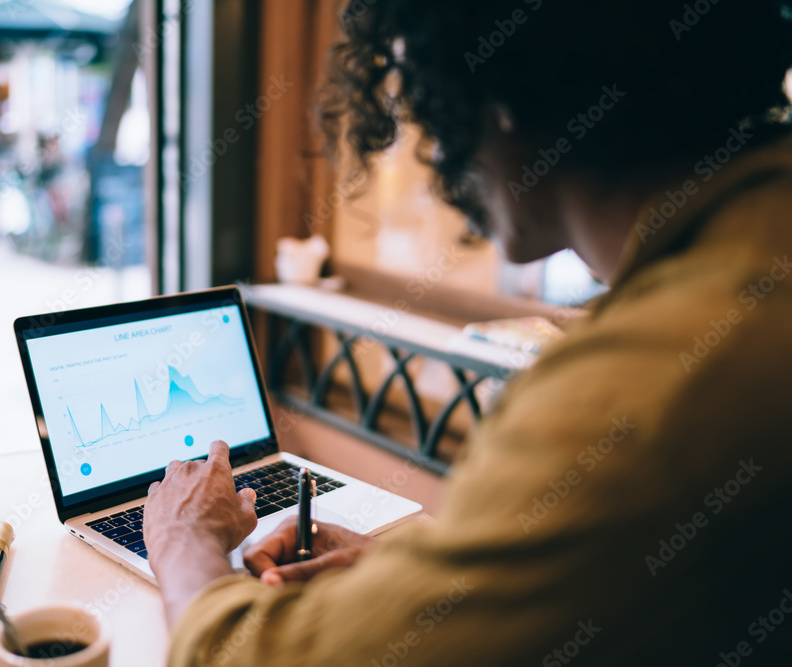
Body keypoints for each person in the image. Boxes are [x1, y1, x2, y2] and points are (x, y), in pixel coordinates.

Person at [144, 1, 792, 664]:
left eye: (428, 95)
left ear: (500, 92)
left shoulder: (638, 387)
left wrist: (184, 542)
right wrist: (420, 586)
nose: (438, 145)